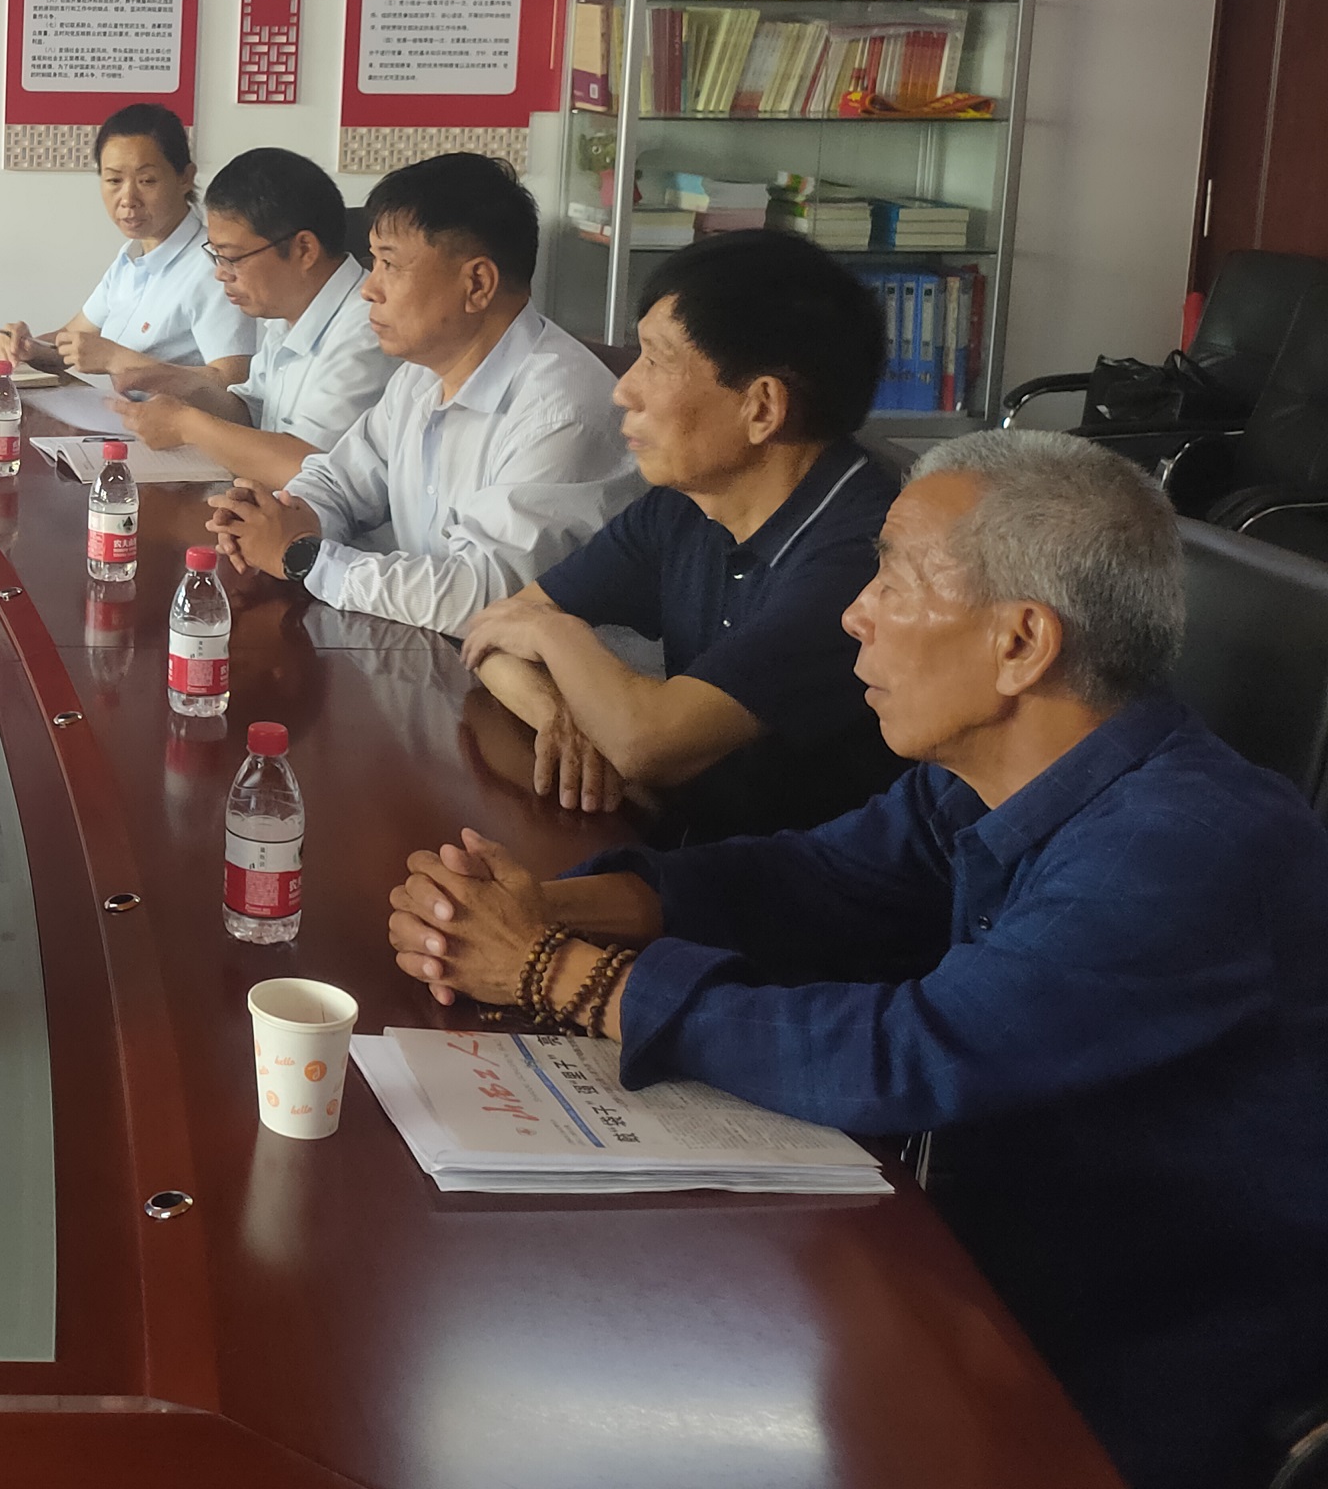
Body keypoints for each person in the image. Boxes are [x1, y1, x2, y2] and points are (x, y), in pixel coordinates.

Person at [385, 433, 1328, 1489]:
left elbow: (910, 1053)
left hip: (1137, 1359)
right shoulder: (986, 777)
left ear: (1021, 643)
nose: (853, 613)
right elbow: (809, 881)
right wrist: (538, 910)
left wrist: (552, 972)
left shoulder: (1187, 844)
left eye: (894, 579)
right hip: (968, 1267)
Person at [459, 231, 906, 839]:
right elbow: (491, 635)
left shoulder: (866, 556)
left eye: (657, 360)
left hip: (809, 882)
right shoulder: (686, 505)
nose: (624, 389)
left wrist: (552, 632)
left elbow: (648, 743)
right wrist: (566, 718)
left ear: (762, 408)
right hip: (699, 852)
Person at [206, 152, 633, 635]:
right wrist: (280, 517)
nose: (369, 289)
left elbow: (484, 596)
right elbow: (339, 480)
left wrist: (303, 556)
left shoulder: (561, 411)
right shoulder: (421, 376)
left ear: (477, 284)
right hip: (421, 649)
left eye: (390, 264)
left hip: (525, 674)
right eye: (373, 262)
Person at [103, 146, 394, 492]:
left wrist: (186, 425)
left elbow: (310, 467)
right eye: (216, 256)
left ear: (304, 250)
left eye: (232, 258)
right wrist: (179, 383)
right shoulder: (287, 311)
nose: (221, 274)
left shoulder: (369, 329)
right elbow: (250, 412)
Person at [0, 102, 255, 382]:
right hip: (118, 408)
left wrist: (117, 360)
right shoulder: (131, 257)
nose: (128, 199)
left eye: (147, 180)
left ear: (185, 178)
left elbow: (232, 381)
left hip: (172, 412)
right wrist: (27, 347)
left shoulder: (214, 266)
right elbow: (70, 340)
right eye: (114, 180)